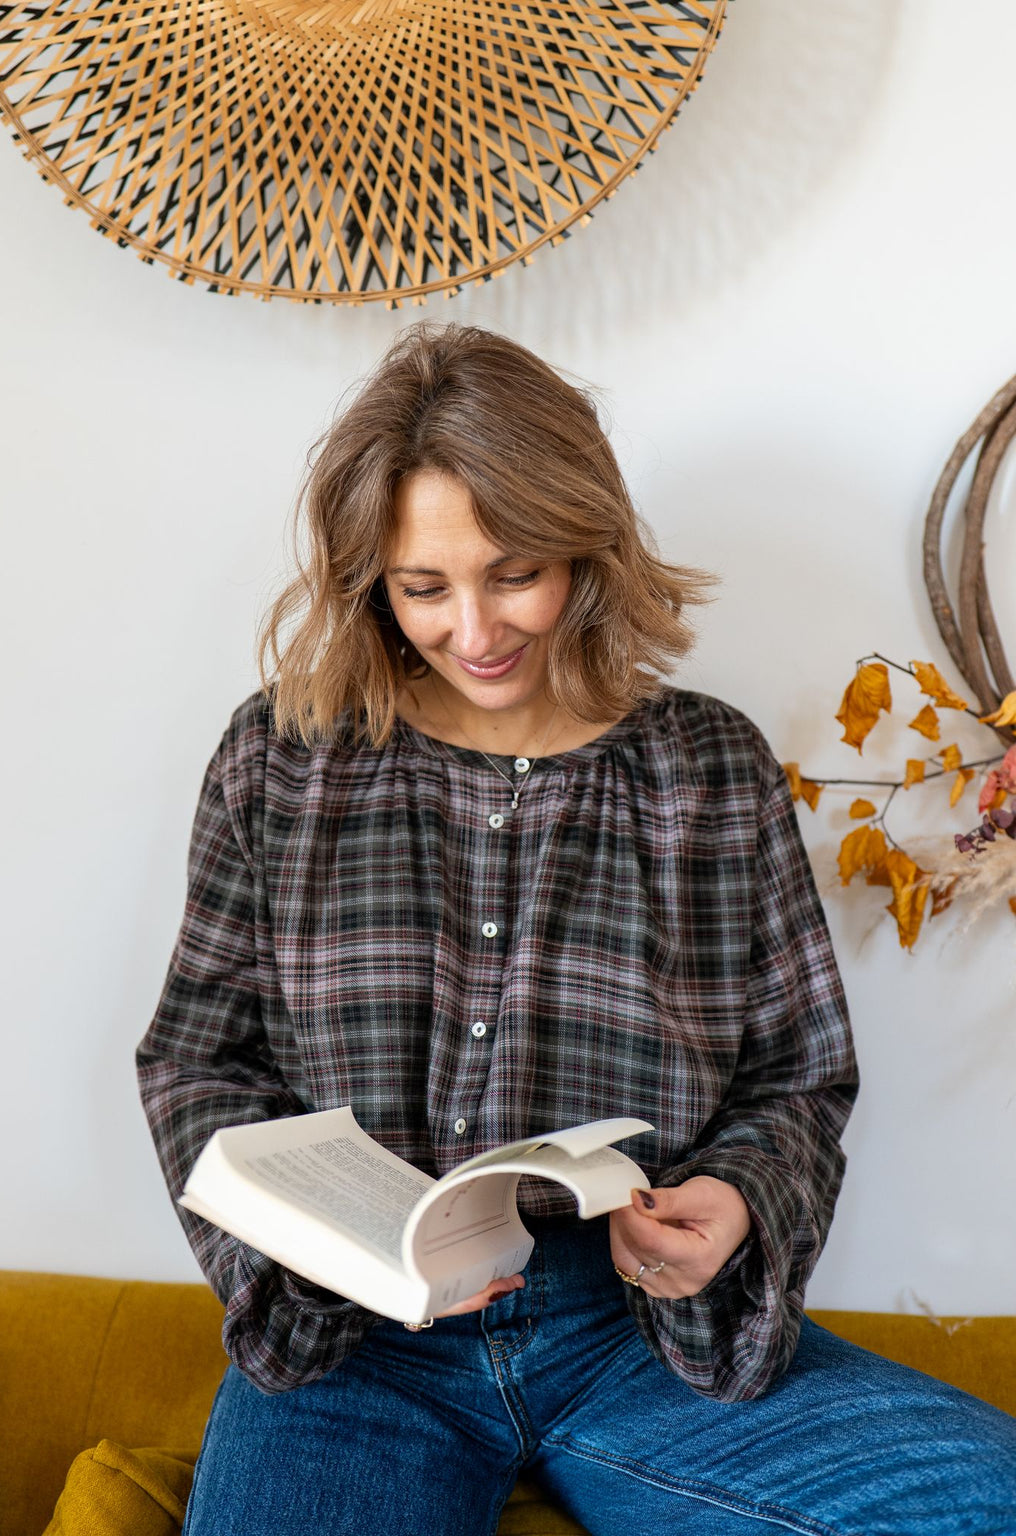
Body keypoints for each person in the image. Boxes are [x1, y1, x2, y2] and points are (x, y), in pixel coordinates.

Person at [137, 324, 1016, 1536]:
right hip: (356, 1345)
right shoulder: (283, 757)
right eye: (422, 587)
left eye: (513, 572)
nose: (474, 628)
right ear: (370, 581)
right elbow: (194, 1060)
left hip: (636, 1333)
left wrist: (737, 1198)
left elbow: (798, 1077)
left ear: (583, 546)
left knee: (984, 1502)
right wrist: (300, 1253)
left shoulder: (710, 766)